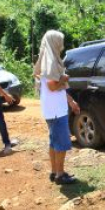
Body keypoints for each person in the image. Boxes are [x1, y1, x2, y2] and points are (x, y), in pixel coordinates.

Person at [34, 30, 80, 185]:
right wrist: (64, 79)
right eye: (60, 41)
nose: (61, 45)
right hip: (56, 111)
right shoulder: (51, 62)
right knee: (61, 143)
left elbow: (55, 89)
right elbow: (53, 86)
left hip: (52, 109)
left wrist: (71, 101)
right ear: (54, 42)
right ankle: (60, 174)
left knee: (54, 142)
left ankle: (54, 172)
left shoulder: (46, 59)